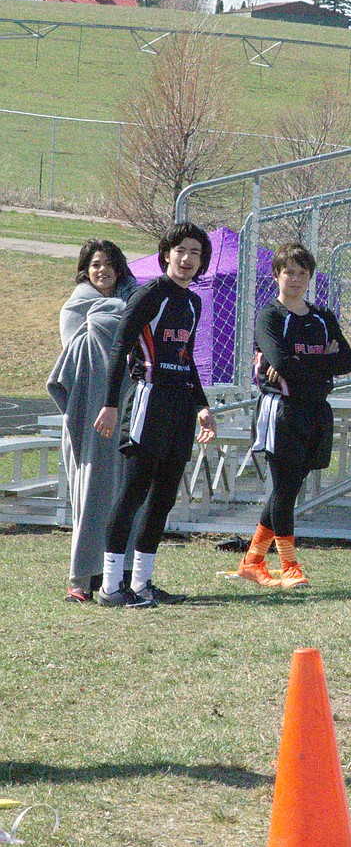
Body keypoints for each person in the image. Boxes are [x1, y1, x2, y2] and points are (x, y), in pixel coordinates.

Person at [93, 223, 218, 607]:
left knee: (163, 498)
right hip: (148, 401)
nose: (187, 259)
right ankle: (112, 588)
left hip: (180, 407)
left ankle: (143, 585)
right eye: (180, 250)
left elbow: (187, 360)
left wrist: (202, 407)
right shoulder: (150, 295)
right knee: (133, 493)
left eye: (195, 253)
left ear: (202, 261)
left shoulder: (194, 302)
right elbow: (120, 350)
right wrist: (111, 403)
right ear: (166, 254)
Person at [234, 241, 351, 588]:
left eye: (303, 273)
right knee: (284, 488)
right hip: (283, 410)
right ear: (276, 275)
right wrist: (312, 363)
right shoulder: (270, 316)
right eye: (289, 272)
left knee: (288, 490)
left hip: (317, 409)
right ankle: (289, 566)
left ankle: (253, 561)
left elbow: (345, 361)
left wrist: (302, 364)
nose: (296, 279)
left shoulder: (323, 317)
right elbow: (281, 362)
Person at [47, 239, 138, 602]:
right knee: (91, 491)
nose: (103, 270)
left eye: (109, 264)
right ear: (86, 269)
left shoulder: (137, 302)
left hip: (127, 408)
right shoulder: (76, 307)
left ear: (120, 268)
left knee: (126, 493)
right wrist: (116, 315)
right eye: (96, 264)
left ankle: (115, 576)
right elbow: (82, 343)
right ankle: (80, 578)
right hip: (87, 414)